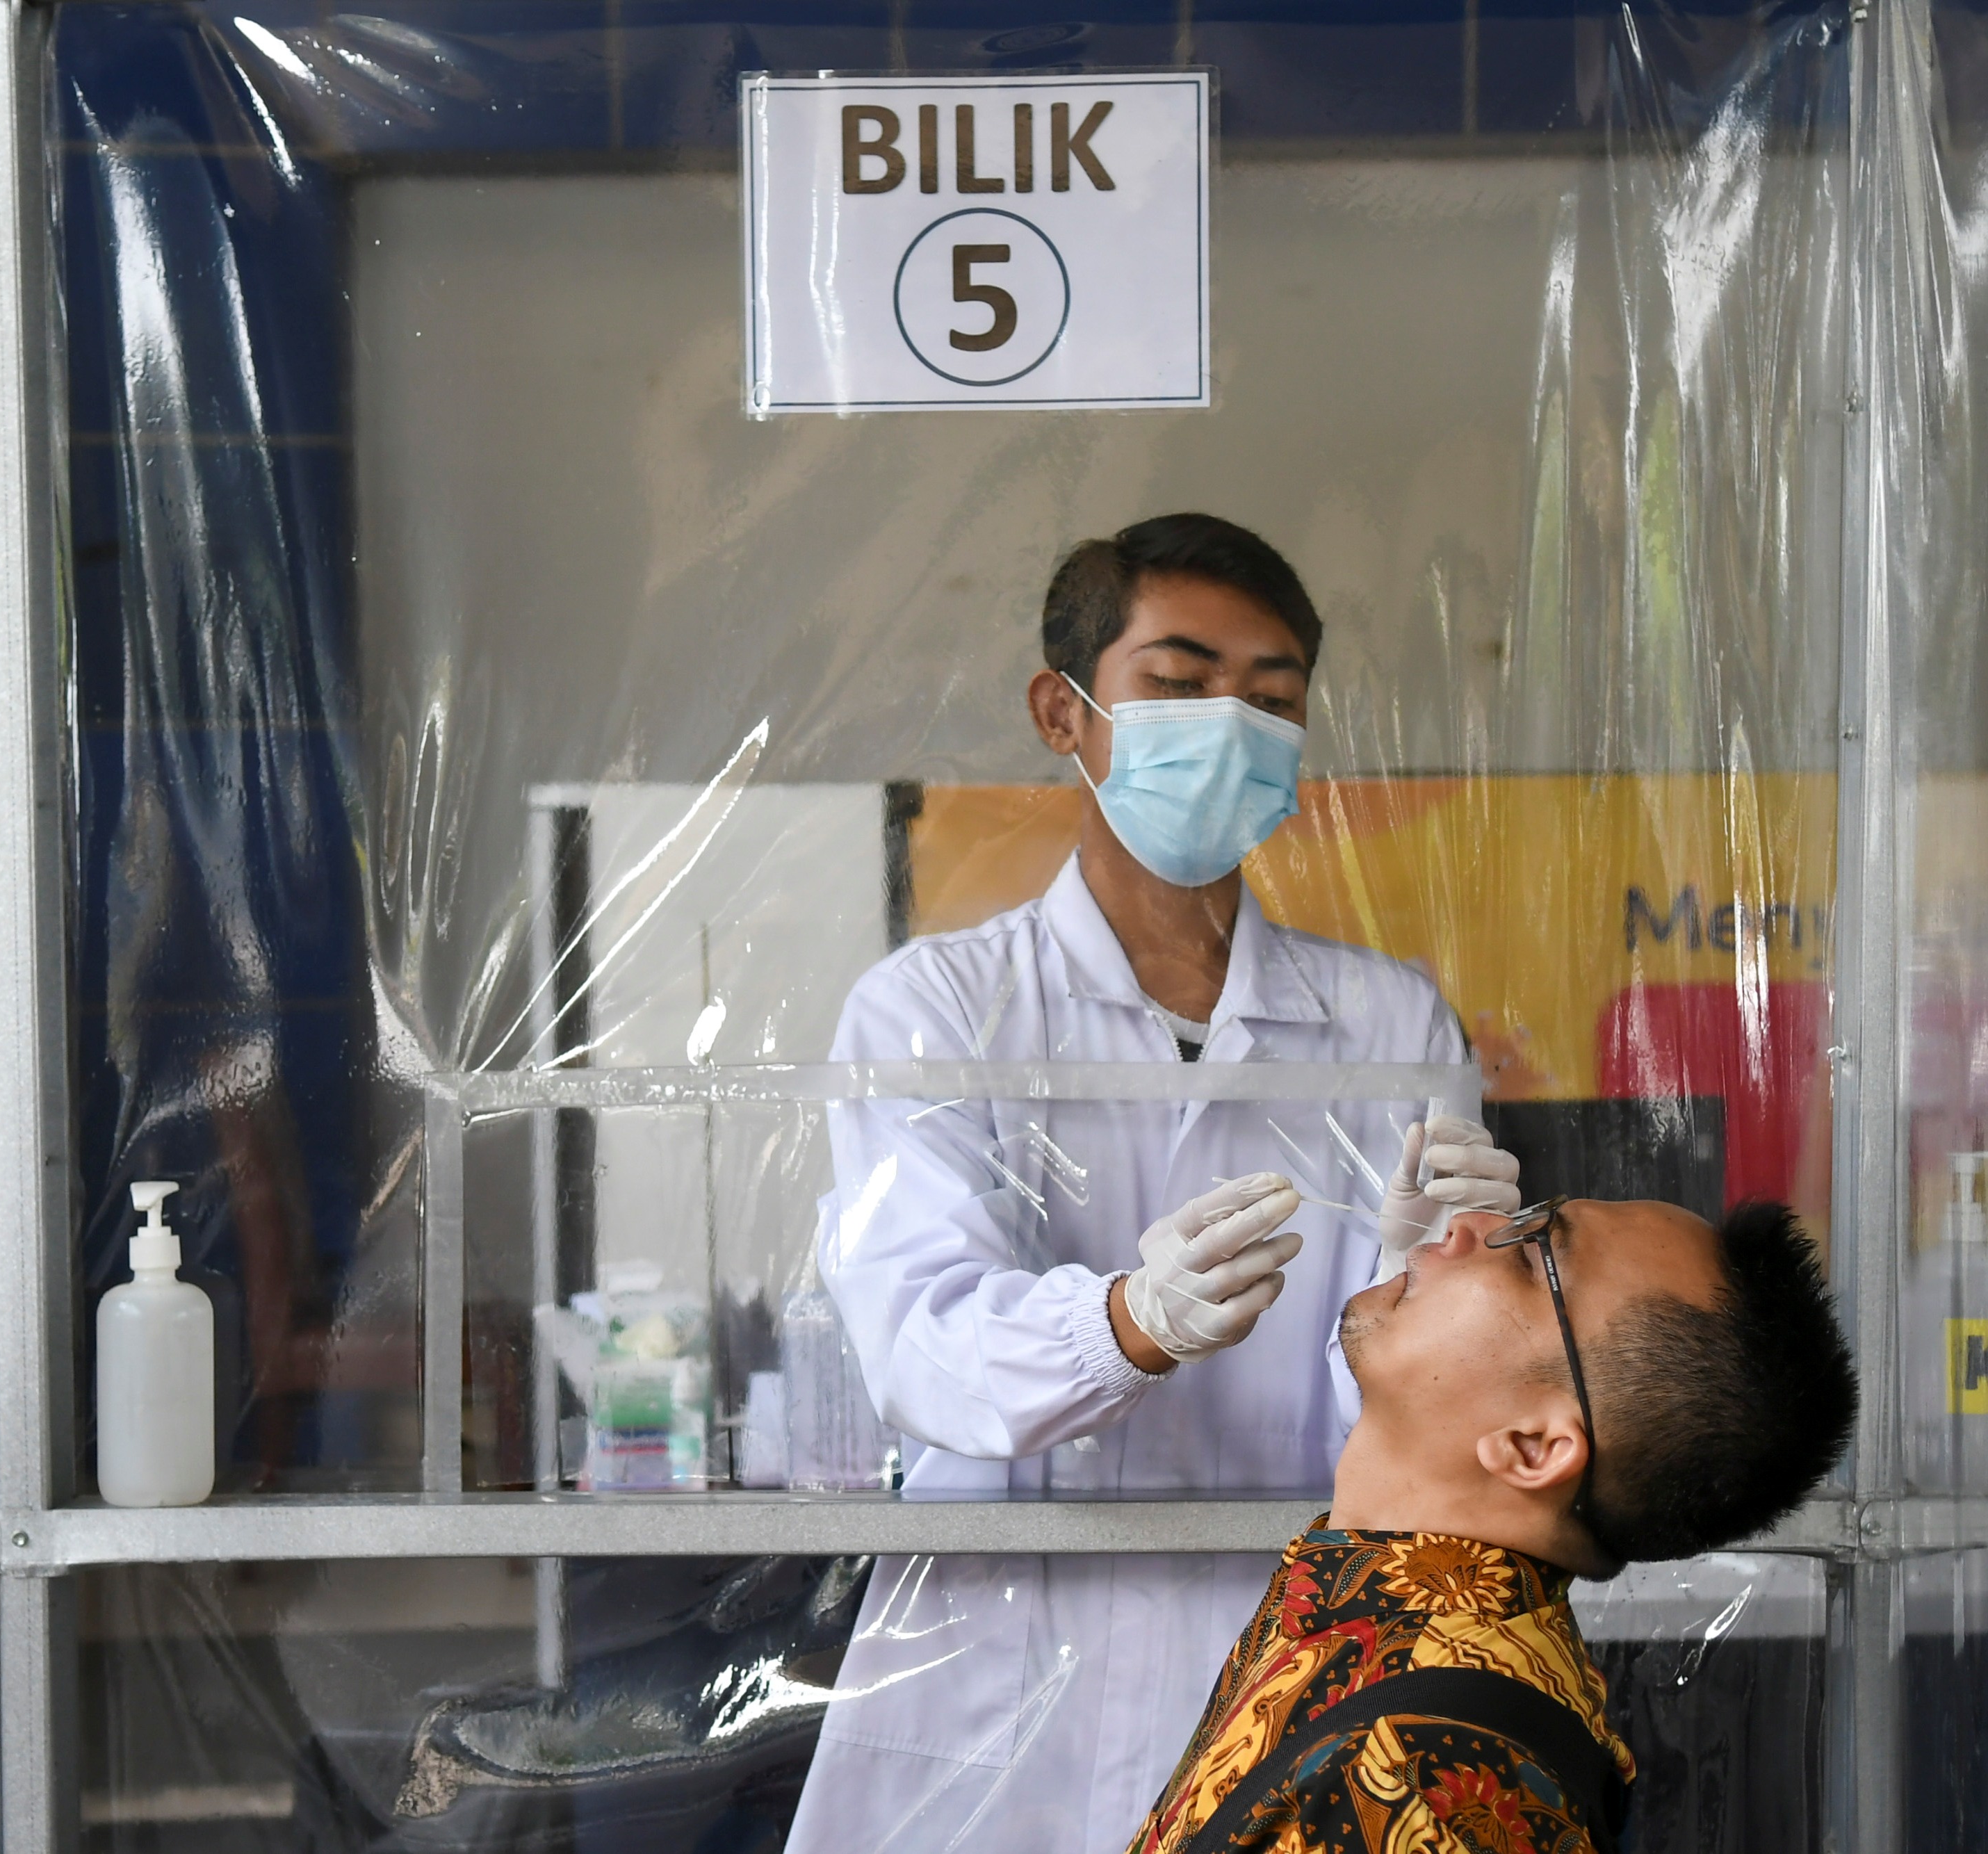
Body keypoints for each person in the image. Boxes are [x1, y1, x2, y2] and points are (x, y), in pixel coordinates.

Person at [784, 514, 1522, 1851]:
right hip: (996, 1675)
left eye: (1271, 697)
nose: (1227, 725)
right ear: (1060, 713)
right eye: (1176, 686)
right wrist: (1127, 1322)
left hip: (1283, 1655)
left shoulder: (1387, 1022)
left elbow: (1423, 1420)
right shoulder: (934, 1008)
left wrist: (1433, 1298)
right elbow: (919, 1343)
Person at [1125, 1196, 1859, 1854]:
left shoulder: (1416, 1771)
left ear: (1533, 1447)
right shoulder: (1376, 1616)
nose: (1465, 1225)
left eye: (1529, 1255)